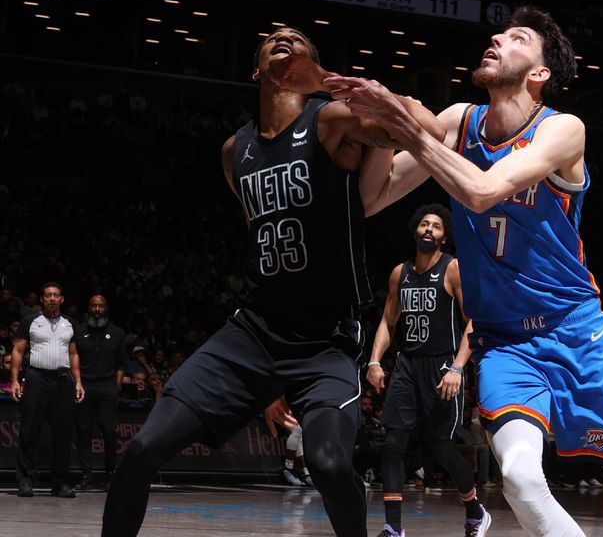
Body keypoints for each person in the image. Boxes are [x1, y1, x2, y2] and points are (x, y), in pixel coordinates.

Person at [325, 5, 603, 536]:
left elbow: (482, 190)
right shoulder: (457, 121)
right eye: (499, 32)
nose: (496, 38)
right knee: (517, 477)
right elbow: (373, 198)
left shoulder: (563, 130)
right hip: (504, 343)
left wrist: (404, 122)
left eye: (517, 38)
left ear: (540, 73)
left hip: (574, 331)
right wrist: (382, 131)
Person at [101, 26, 444, 537]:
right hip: (255, 333)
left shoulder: (329, 120)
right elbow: (259, 242)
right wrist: (265, 385)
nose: (283, 36)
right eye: (271, 38)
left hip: (326, 339)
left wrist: (324, 81)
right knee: (141, 450)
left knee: (328, 464)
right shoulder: (232, 152)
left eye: (298, 39)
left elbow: (428, 127)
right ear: (255, 68)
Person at [367, 204, 489, 537]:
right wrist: (375, 360)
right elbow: (387, 322)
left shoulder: (453, 269)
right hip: (407, 364)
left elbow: (473, 321)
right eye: (424, 224)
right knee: (393, 444)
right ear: (415, 231)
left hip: (442, 366)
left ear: (444, 236)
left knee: (442, 448)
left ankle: (475, 510)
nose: (428, 229)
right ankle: (393, 527)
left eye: (435, 226)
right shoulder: (399, 274)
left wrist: (457, 367)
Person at [10, 282, 85, 498]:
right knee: (29, 430)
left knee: (62, 434)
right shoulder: (30, 321)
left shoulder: (70, 323)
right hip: (37, 378)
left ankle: (60, 482)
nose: (52, 298)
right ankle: (25, 480)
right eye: (48, 295)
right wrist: (15, 380)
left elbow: (73, 355)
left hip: (62, 381)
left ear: (62, 299)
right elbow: (17, 350)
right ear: (42, 300)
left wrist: (78, 381)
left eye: (56, 295)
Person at [74, 294, 128, 491]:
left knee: (109, 431)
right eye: (94, 306)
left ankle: (110, 475)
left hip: (107, 387)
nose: (97, 310)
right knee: (83, 432)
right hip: (85, 386)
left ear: (106, 309)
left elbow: (122, 362)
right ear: (89, 308)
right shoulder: (78, 331)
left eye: (101, 306)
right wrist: (77, 382)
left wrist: (117, 384)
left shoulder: (117, 333)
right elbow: (73, 359)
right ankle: (87, 476)